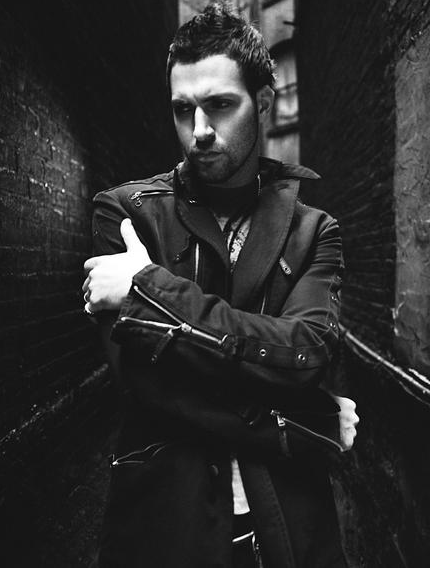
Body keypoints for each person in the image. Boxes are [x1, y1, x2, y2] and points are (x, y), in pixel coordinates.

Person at [82, 2, 359, 567]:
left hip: (289, 524)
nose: (200, 132)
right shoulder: (128, 215)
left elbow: (305, 356)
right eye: (183, 110)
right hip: (166, 526)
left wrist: (146, 289)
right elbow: (146, 386)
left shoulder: (313, 232)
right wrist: (311, 420)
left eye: (221, 106)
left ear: (264, 102)